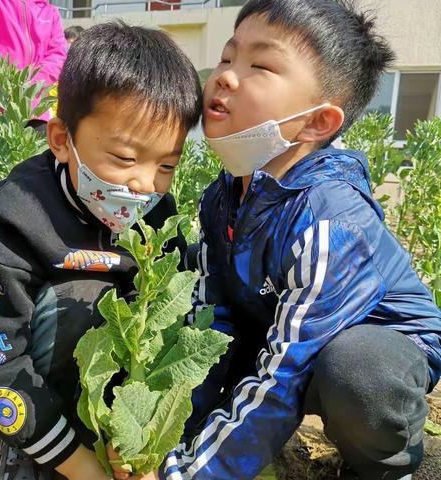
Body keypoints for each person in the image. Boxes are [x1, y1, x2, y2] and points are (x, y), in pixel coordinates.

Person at [120, 1, 441, 479]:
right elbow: (210, 329)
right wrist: (167, 441)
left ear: (318, 122)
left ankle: (387, 464)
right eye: (228, 58)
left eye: (260, 66)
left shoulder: (329, 218)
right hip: (282, 325)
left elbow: (289, 367)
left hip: (373, 347)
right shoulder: (223, 197)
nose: (226, 76)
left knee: (357, 374)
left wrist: (191, 474)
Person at [0, 21, 202, 480]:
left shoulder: (157, 215)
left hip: (110, 406)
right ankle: (27, 453)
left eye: (167, 165)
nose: (144, 185)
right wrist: (83, 469)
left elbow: (170, 333)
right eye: (126, 159)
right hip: (24, 381)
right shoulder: (13, 216)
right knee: (81, 300)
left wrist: (140, 440)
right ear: (61, 141)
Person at [0, 0, 67, 124]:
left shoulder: (49, 11)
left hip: (32, 108)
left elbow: (58, 54)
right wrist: (9, 83)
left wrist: (31, 84)